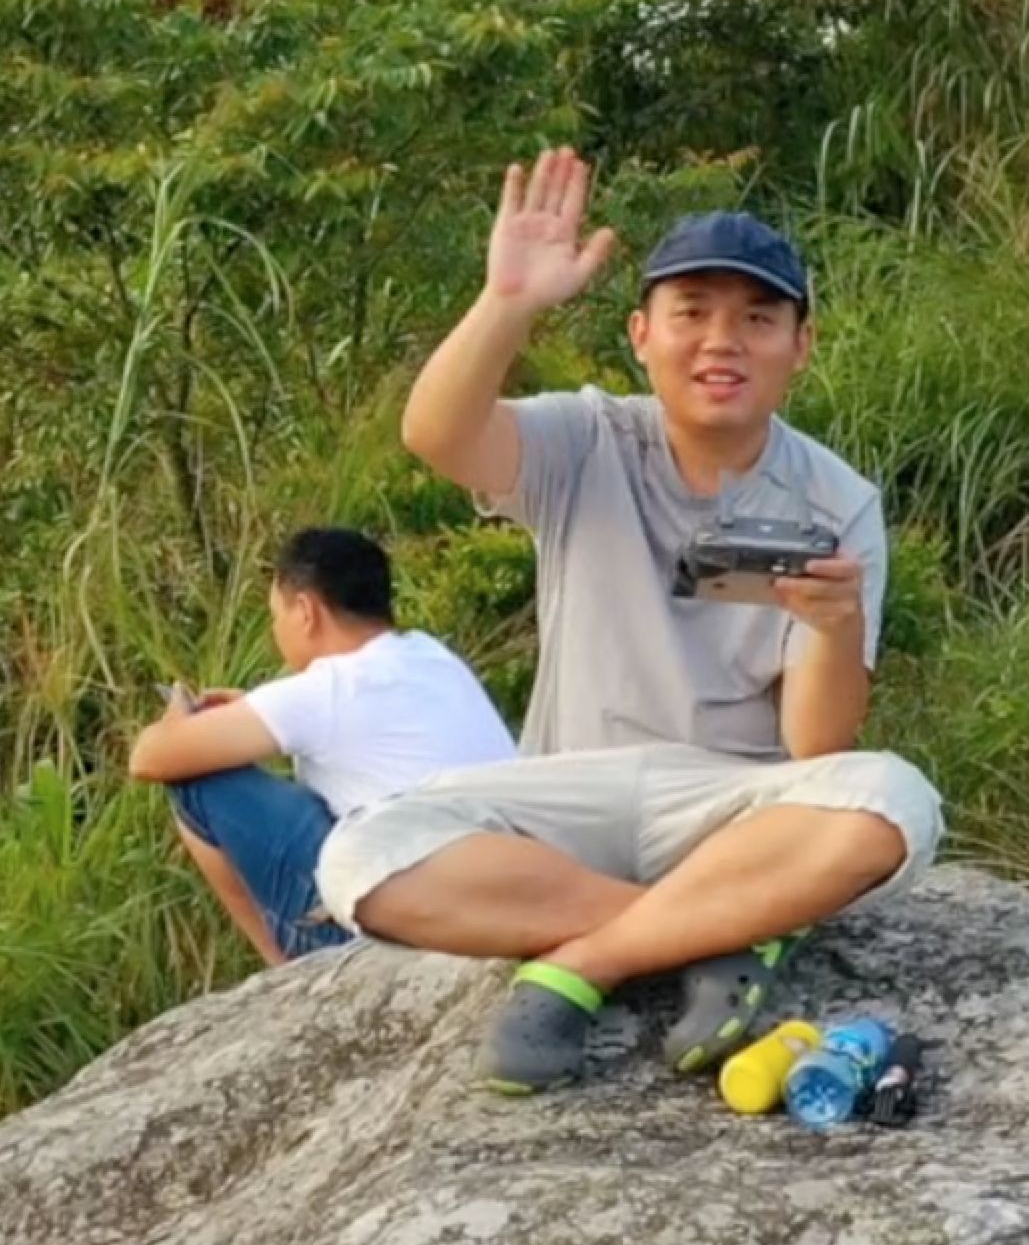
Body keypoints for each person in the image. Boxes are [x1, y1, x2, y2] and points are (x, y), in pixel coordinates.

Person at [317, 146, 944, 1091]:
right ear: (641, 333)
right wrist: (510, 302)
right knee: (360, 856)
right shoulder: (586, 437)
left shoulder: (836, 496)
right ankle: (712, 933)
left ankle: (591, 961)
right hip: (568, 792)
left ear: (801, 346)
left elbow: (818, 743)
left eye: (757, 319)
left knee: (895, 803)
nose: (721, 341)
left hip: (731, 808)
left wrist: (835, 626)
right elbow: (437, 435)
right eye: (692, 314)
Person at [128, 526, 517, 970]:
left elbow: (148, 758)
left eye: (276, 615)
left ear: (306, 611)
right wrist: (252, 711)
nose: (277, 631)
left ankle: (286, 970)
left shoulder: (327, 690)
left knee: (195, 783)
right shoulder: (430, 656)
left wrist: (180, 715)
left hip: (404, 922)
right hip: (496, 893)